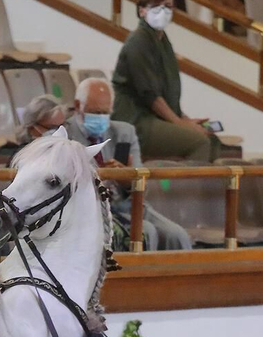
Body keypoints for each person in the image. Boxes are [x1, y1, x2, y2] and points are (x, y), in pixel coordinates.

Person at [63, 77, 192, 251]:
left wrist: (127, 180)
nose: (101, 118)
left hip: (127, 205)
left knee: (177, 235)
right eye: (96, 112)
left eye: (105, 113)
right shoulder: (63, 136)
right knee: (146, 232)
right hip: (87, 210)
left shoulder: (125, 132)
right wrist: (100, 177)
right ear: (78, 106)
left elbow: (140, 181)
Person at [112, 0, 219, 163]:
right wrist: (180, 124)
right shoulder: (138, 41)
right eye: (157, 6)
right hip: (136, 120)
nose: (163, 11)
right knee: (199, 142)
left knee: (212, 140)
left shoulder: (162, 41)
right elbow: (151, 95)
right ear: (142, 11)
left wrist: (186, 120)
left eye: (168, 7)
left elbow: (167, 92)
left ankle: (207, 190)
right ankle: (185, 190)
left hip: (155, 118)